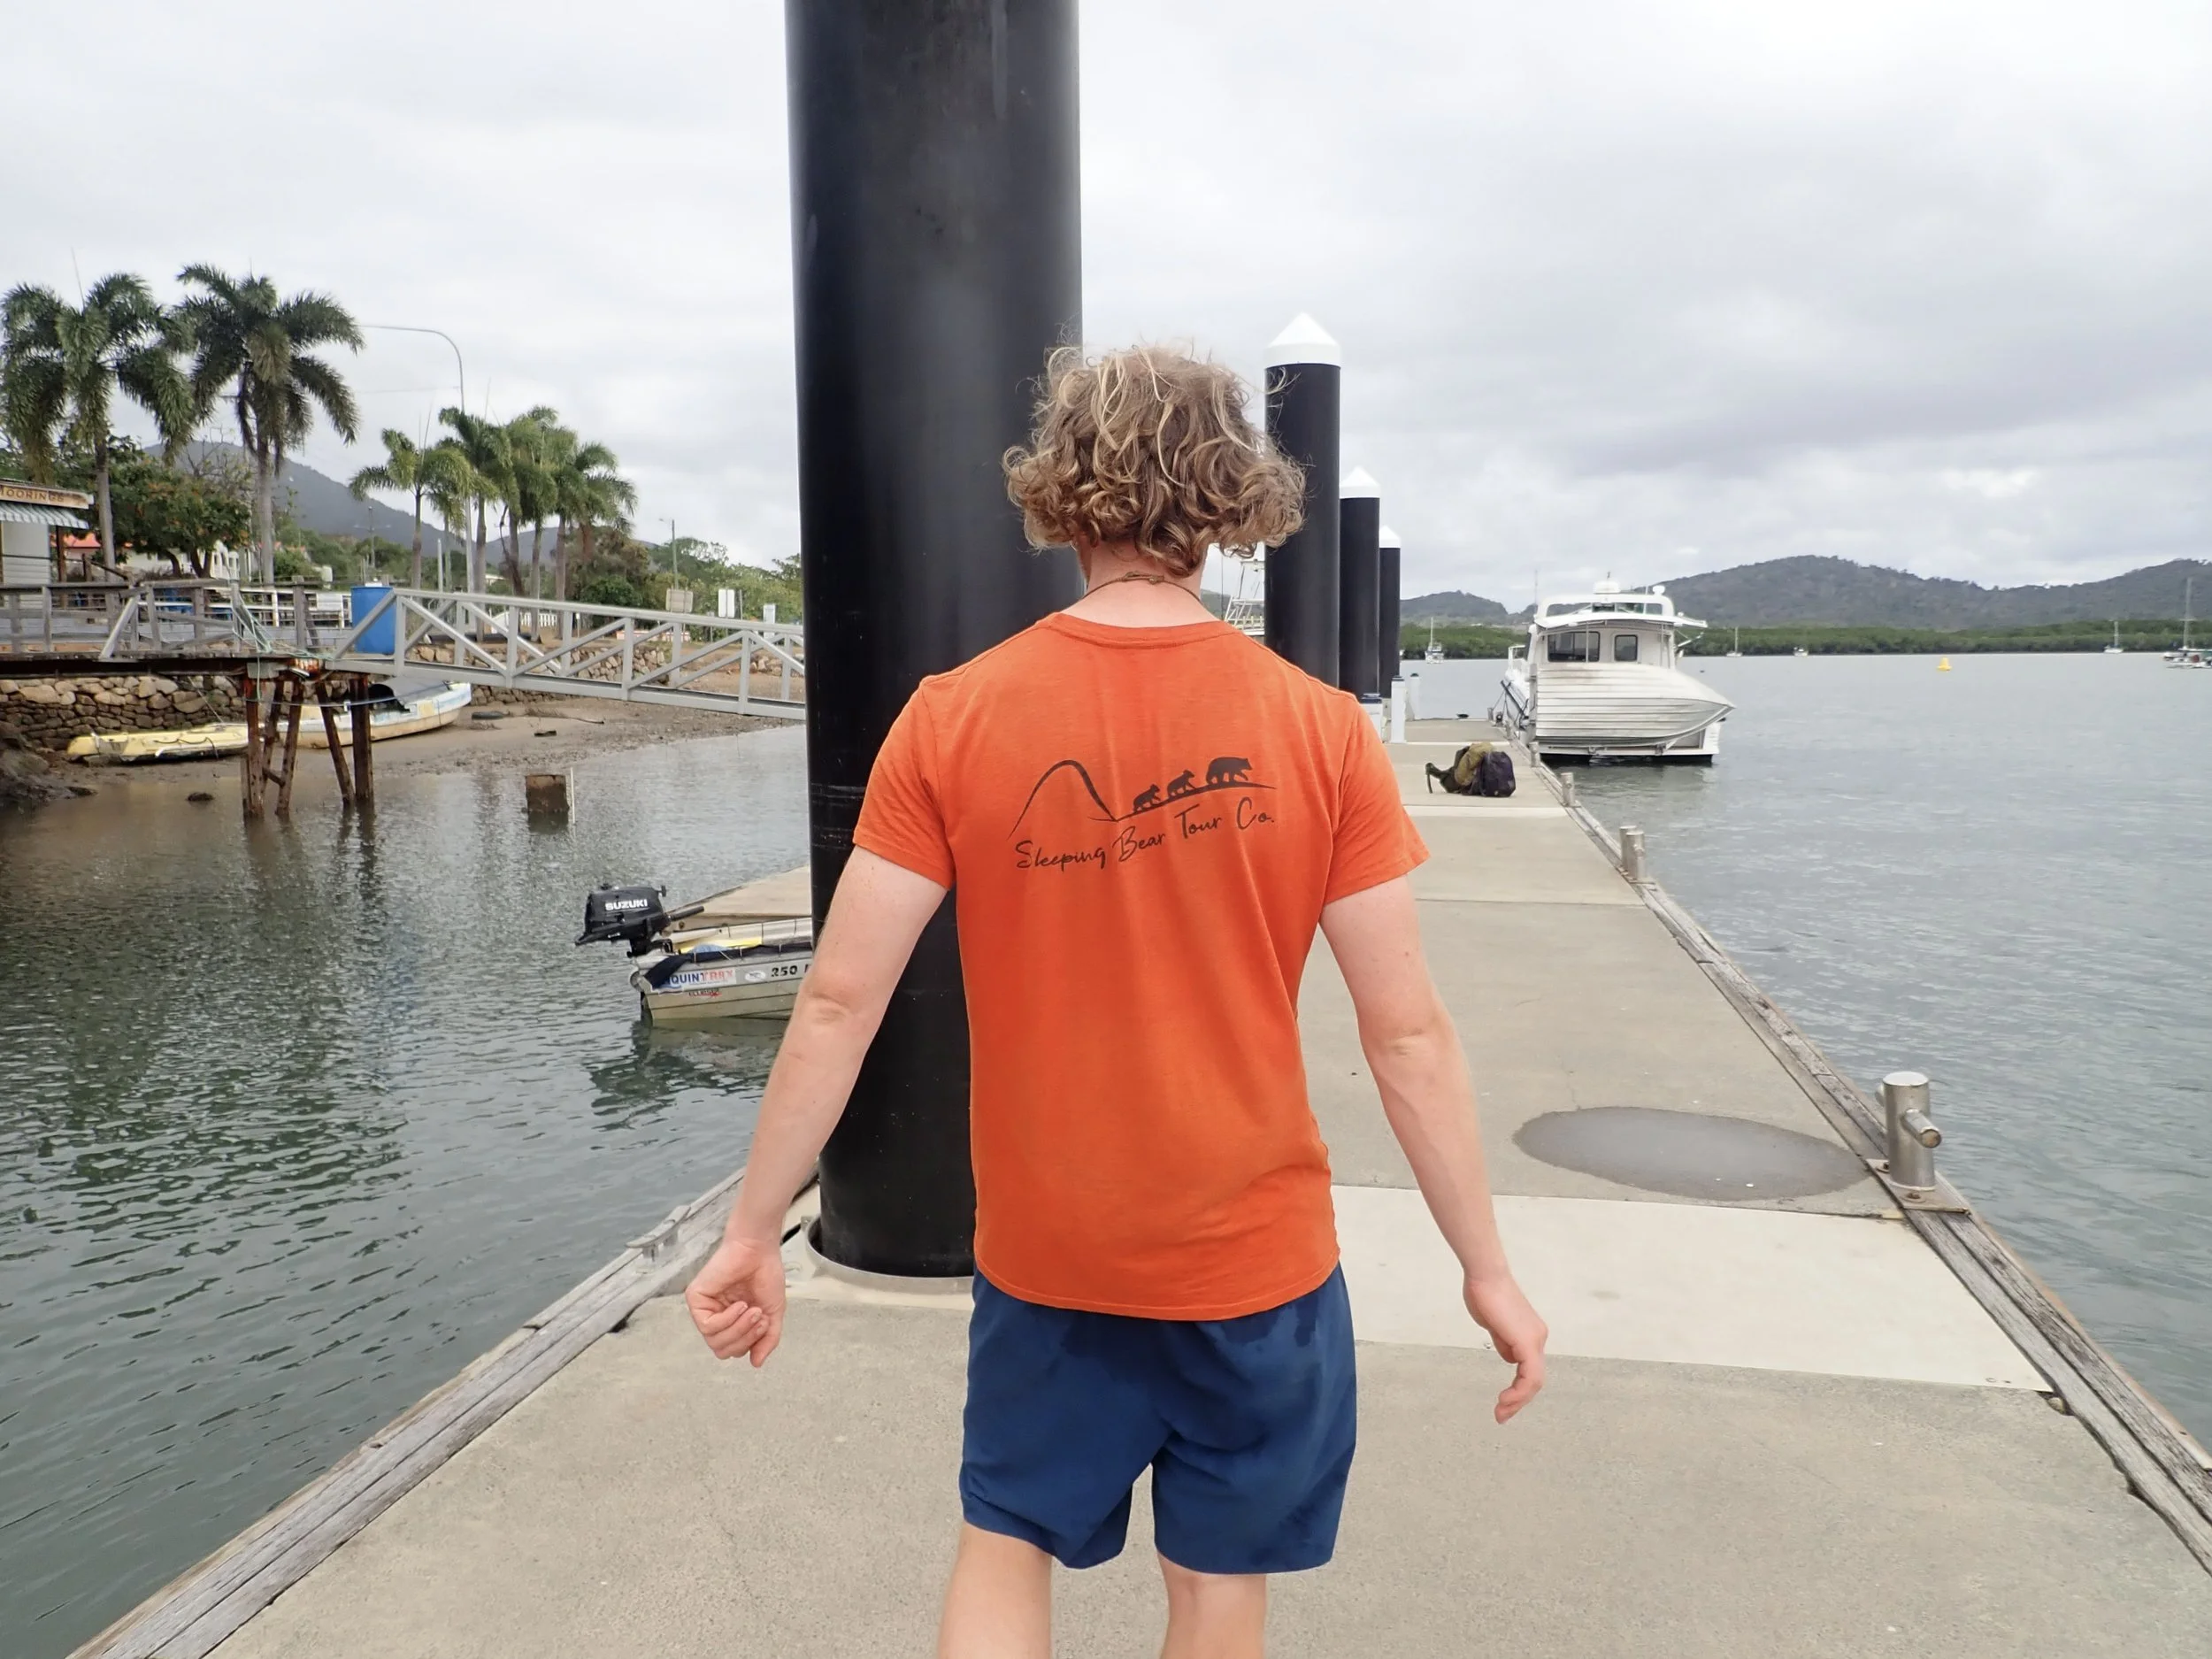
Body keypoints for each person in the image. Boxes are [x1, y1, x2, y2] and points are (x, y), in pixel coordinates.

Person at [685, 343, 1547, 1659]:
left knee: (1006, 1540)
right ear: (1225, 502)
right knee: (1215, 1595)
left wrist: (754, 1226)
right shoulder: (1321, 732)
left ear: (1063, 495)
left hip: (1050, 1258)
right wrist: (1486, 1268)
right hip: (1253, 1266)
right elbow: (1407, 1032)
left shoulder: (954, 717)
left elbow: (839, 1002)